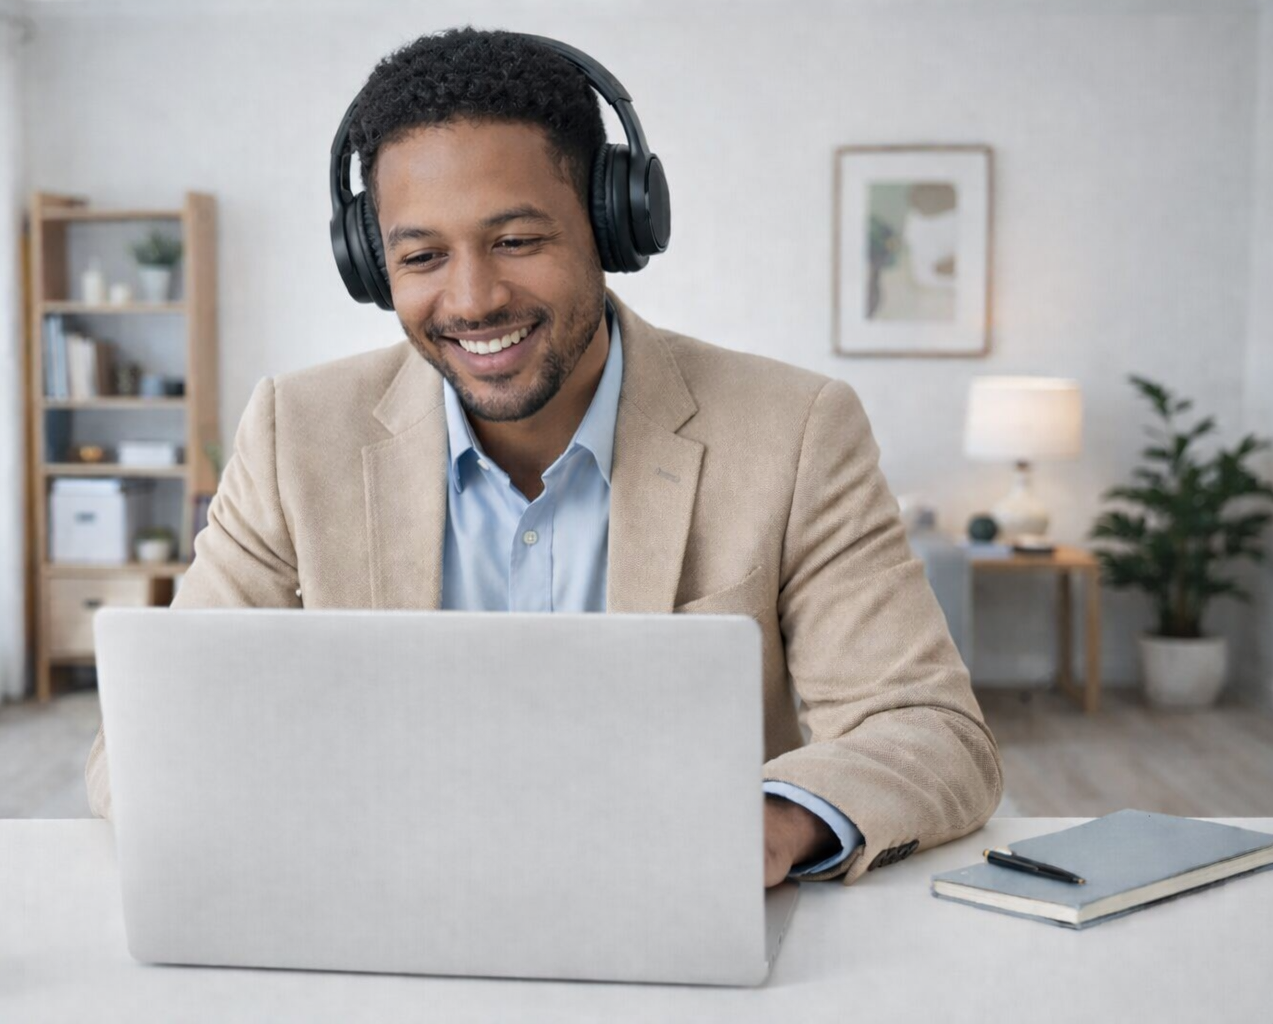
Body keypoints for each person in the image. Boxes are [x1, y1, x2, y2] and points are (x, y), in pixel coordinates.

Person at [85, 27, 1003, 888]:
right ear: (373, 266)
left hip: (670, 914)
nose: (473, 297)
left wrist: (768, 823)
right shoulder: (296, 431)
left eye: (517, 241)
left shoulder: (794, 429)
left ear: (613, 224)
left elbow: (928, 731)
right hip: (382, 916)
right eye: (422, 256)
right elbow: (144, 738)